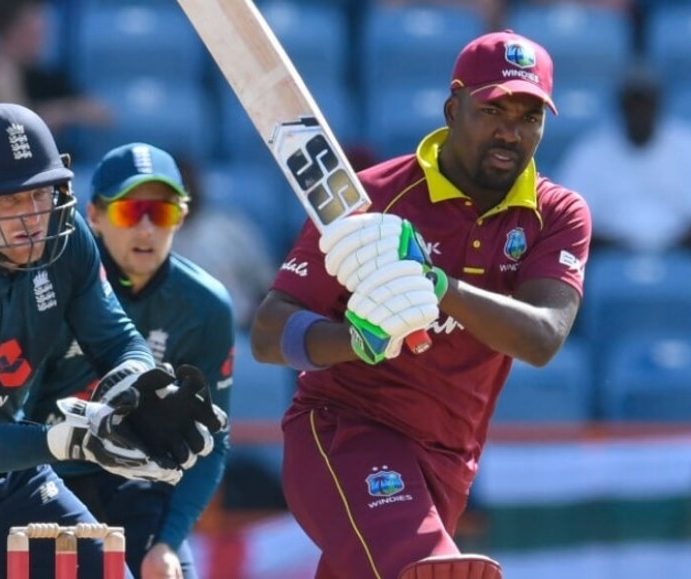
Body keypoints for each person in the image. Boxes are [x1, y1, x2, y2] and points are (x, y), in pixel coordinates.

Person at [251, 30, 590, 578]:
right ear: (453, 109)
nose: (510, 132)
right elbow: (268, 333)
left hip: (448, 462)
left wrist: (434, 284)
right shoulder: (372, 197)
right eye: (493, 110)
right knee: (429, 572)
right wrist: (354, 340)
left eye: (529, 117)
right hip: (345, 430)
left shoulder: (558, 213)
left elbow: (542, 337)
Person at [0, 103, 225, 579]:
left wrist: (138, 387)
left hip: (11, 475)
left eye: (39, 194)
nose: (31, 216)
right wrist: (68, 439)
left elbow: (116, 337)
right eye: (10, 200)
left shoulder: (64, 237)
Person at [556, 62, 691, 267]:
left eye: (646, 103)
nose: (640, 112)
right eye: (632, 104)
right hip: (607, 256)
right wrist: (620, 251)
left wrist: (668, 251)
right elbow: (569, 219)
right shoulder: (589, 149)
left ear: (659, 104)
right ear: (620, 106)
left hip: (682, 253)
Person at [171, 159, 275, 331]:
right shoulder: (154, 239)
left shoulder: (228, 226)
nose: (184, 191)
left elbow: (265, 284)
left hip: (239, 331)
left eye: (189, 183)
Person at [0, 0, 111, 142]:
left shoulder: (47, 78)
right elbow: (14, 132)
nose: (42, 38)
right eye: (33, 31)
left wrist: (61, 112)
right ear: (10, 31)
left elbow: (104, 115)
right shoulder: (1, 76)